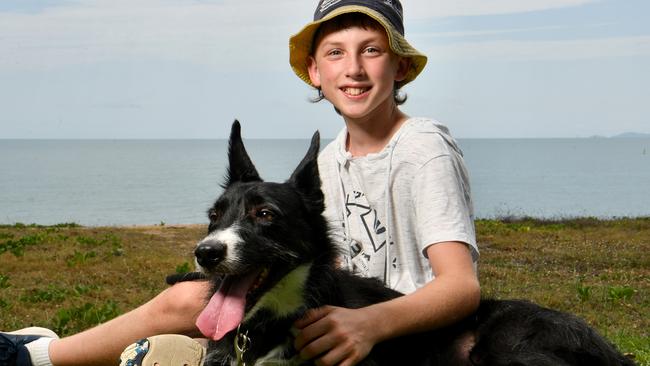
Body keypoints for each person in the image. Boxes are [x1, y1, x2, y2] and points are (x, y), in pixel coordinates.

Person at [1, 1, 479, 365]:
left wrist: (370, 323)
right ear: (315, 70)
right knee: (195, 296)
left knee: (183, 316)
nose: (353, 68)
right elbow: (325, 258)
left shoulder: (421, 147)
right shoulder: (332, 158)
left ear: (399, 66)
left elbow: (460, 286)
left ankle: (35, 355)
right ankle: (41, 352)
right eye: (335, 53)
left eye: (371, 50)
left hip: (392, 329)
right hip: (325, 315)